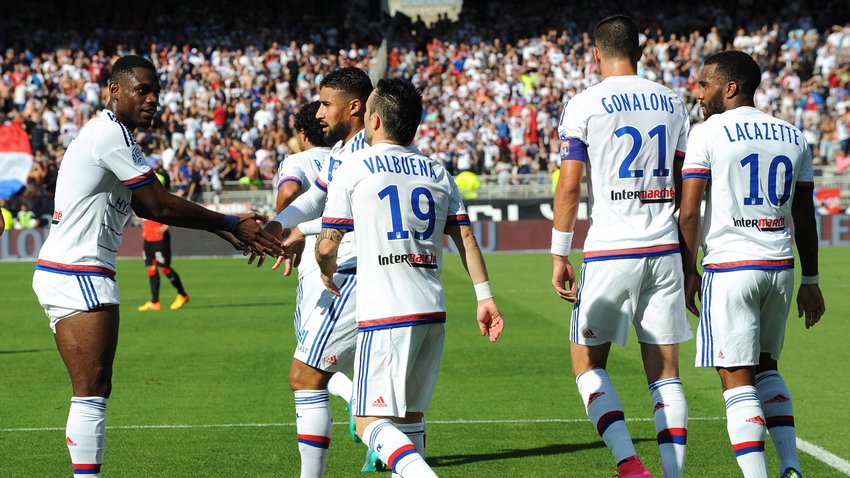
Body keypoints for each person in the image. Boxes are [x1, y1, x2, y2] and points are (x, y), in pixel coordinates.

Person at [30, 55, 282, 478]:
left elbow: (157, 197)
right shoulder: (109, 134)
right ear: (114, 91)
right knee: (91, 392)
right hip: (80, 272)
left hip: (68, 269)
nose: (152, 100)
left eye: (156, 92)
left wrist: (227, 232)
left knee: (92, 390)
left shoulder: (115, 135)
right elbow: (157, 205)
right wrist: (228, 221)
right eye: (142, 90)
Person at [316, 78, 504, 478]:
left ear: (377, 120)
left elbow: (329, 244)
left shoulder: (355, 165)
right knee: (411, 417)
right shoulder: (437, 170)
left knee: (369, 424)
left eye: (366, 114)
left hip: (385, 311)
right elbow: (466, 237)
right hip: (432, 310)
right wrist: (484, 298)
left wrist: (324, 270)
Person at [551, 15, 692, 478]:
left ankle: (629, 463)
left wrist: (559, 253)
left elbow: (569, 187)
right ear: (640, 50)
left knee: (587, 363)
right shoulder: (672, 102)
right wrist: (688, 257)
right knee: (666, 374)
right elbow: (685, 184)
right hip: (664, 248)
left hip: (611, 248)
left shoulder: (584, 103)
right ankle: (673, 475)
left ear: (596, 53)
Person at [679, 50, 826, 478]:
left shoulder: (707, 133)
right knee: (768, 369)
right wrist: (812, 279)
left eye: (705, 85)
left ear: (730, 87)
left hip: (730, 267)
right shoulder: (793, 135)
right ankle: (792, 466)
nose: (698, 93)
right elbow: (805, 216)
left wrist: (688, 271)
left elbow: (689, 213)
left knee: (735, 378)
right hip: (780, 268)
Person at [264, 67, 373, 477]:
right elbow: (317, 197)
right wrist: (279, 226)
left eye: (327, 103)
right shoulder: (344, 151)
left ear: (355, 106)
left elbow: (352, 212)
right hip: (370, 271)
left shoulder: (367, 149)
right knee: (382, 395)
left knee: (305, 374)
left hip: (355, 270)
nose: (320, 112)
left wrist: (297, 231)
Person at [137, 217, 190, 311]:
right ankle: (155, 302)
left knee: (164, 268)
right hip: (148, 239)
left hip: (160, 238)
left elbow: (168, 210)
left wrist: (166, 226)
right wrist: (144, 228)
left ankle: (182, 295)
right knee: (151, 269)